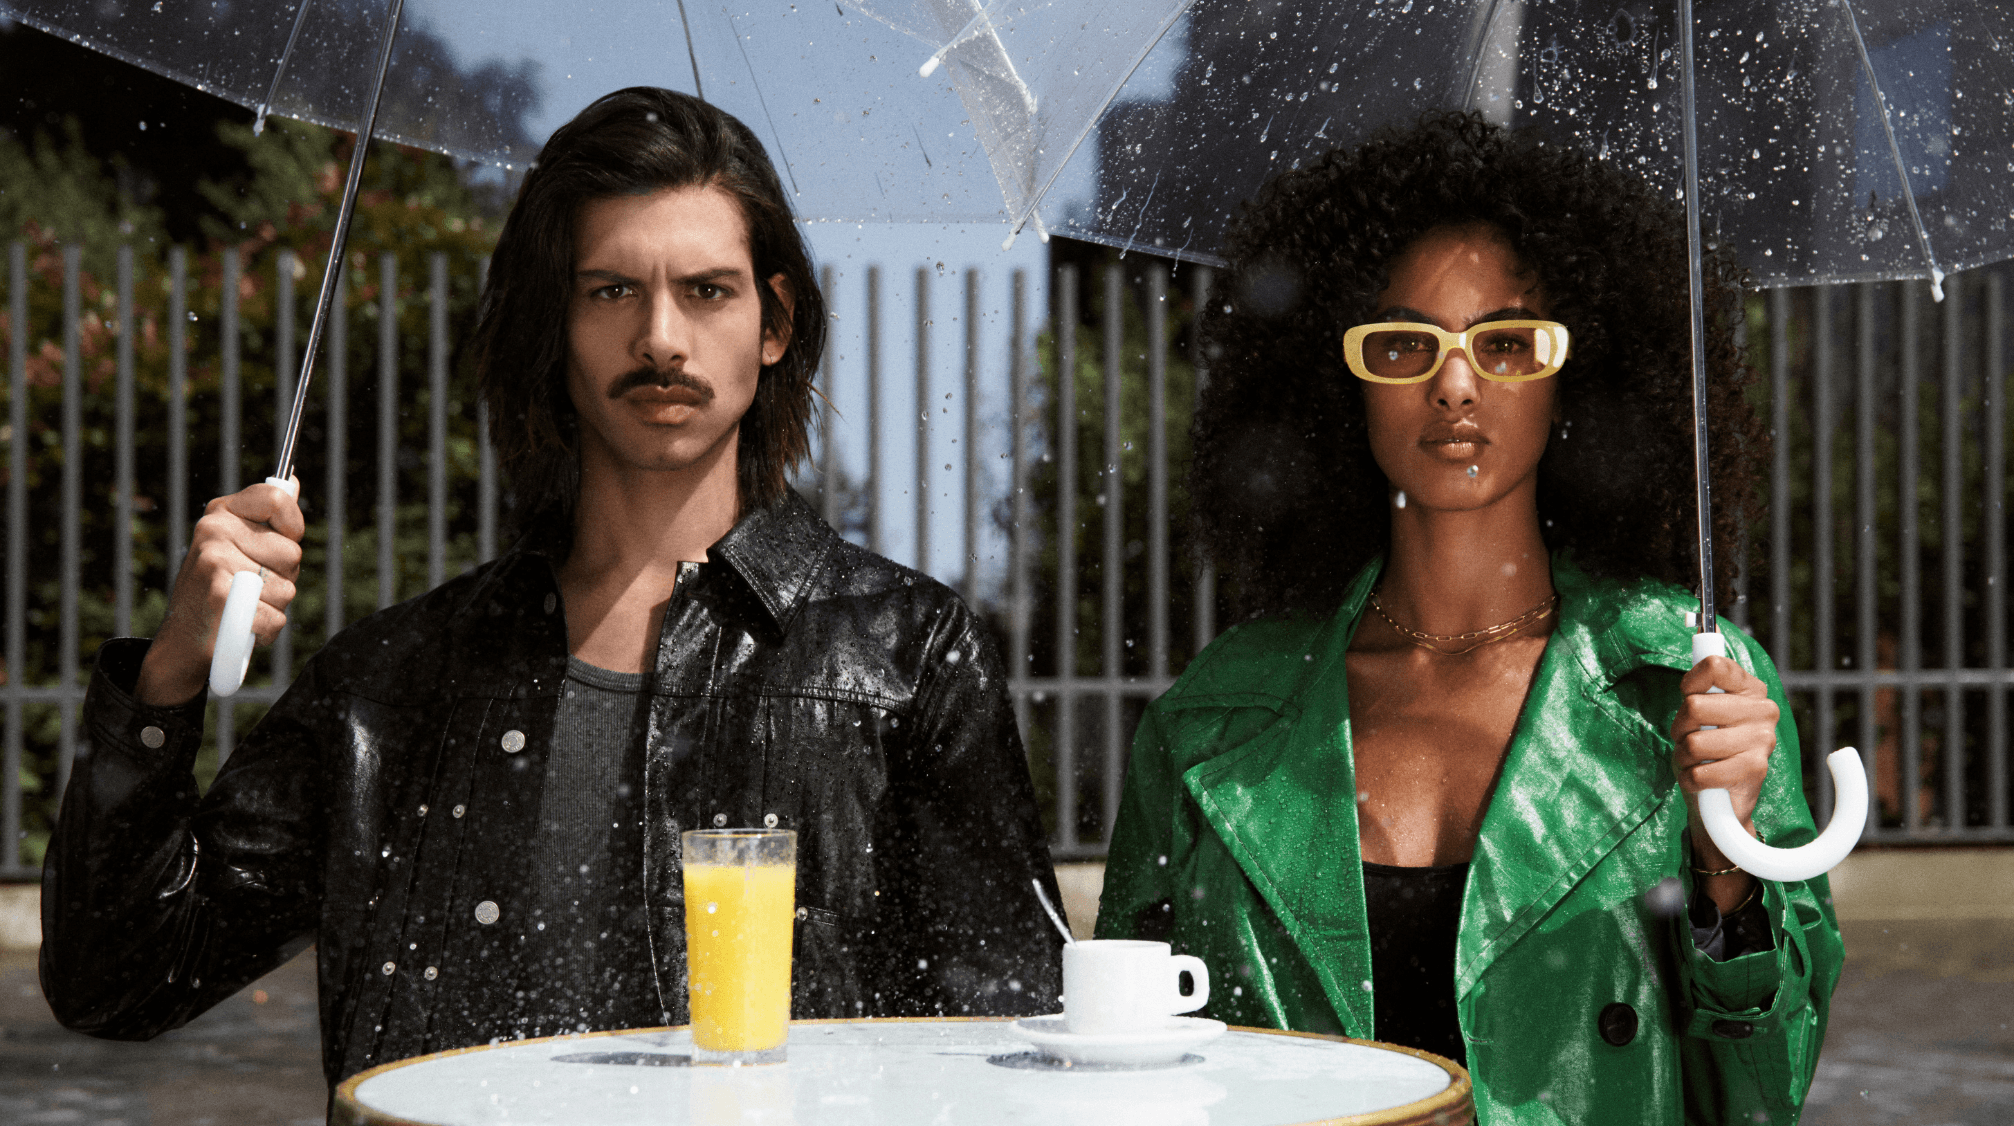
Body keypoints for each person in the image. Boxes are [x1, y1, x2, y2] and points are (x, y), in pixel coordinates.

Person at [43, 87, 1063, 1087]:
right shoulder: (392, 688)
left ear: (775, 322)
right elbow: (117, 982)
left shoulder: (906, 659)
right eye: (610, 290)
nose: (661, 337)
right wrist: (170, 675)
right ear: (555, 326)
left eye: (706, 290)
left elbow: (1012, 1050)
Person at [1097, 112, 1842, 1124]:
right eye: (1403, 344)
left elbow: (1764, 1091)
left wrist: (1724, 863)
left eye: (1508, 343)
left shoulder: (1689, 684)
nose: (1455, 383)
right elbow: (1122, 1071)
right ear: (1339, 380)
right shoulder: (1211, 719)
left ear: (1573, 373)